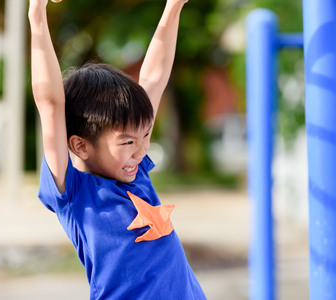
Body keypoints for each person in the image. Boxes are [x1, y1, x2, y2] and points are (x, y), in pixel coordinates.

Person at [28, 0, 207, 299]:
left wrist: (173, 7)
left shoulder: (134, 176)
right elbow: (50, 102)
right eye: (127, 142)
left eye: (146, 135)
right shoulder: (74, 194)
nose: (141, 151)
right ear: (80, 145)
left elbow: (153, 77)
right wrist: (37, 14)